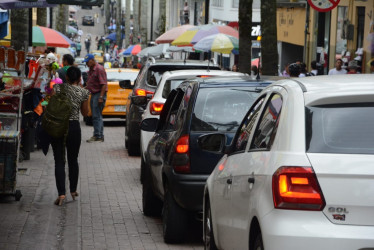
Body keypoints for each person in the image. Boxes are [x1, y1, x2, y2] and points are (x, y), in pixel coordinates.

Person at [51, 67, 90, 205]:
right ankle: (73, 190)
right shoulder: (84, 92)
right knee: (73, 159)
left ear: (66, 77)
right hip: (74, 127)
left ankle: (61, 194)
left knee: (59, 161)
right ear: (80, 79)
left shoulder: (58, 89)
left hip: (58, 126)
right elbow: (85, 113)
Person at [83, 54, 108, 142]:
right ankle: (99, 135)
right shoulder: (91, 70)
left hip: (98, 94)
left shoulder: (99, 69)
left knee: (96, 116)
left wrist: (101, 97)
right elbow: (90, 83)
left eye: (87, 62)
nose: (87, 64)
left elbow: (104, 84)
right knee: (97, 115)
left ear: (92, 60)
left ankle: (97, 135)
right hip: (94, 94)